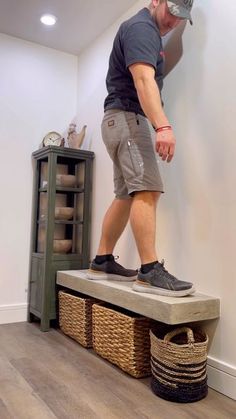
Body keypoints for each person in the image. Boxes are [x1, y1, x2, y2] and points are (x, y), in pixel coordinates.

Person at [86, 0, 195, 297]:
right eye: (172, 12)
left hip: (116, 121)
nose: (174, 22)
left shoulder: (146, 31)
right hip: (128, 118)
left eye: (181, 17)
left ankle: (102, 259)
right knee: (147, 189)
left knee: (126, 194)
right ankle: (149, 270)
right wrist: (163, 126)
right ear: (156, 1)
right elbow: (143, 79)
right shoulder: (141, 28)